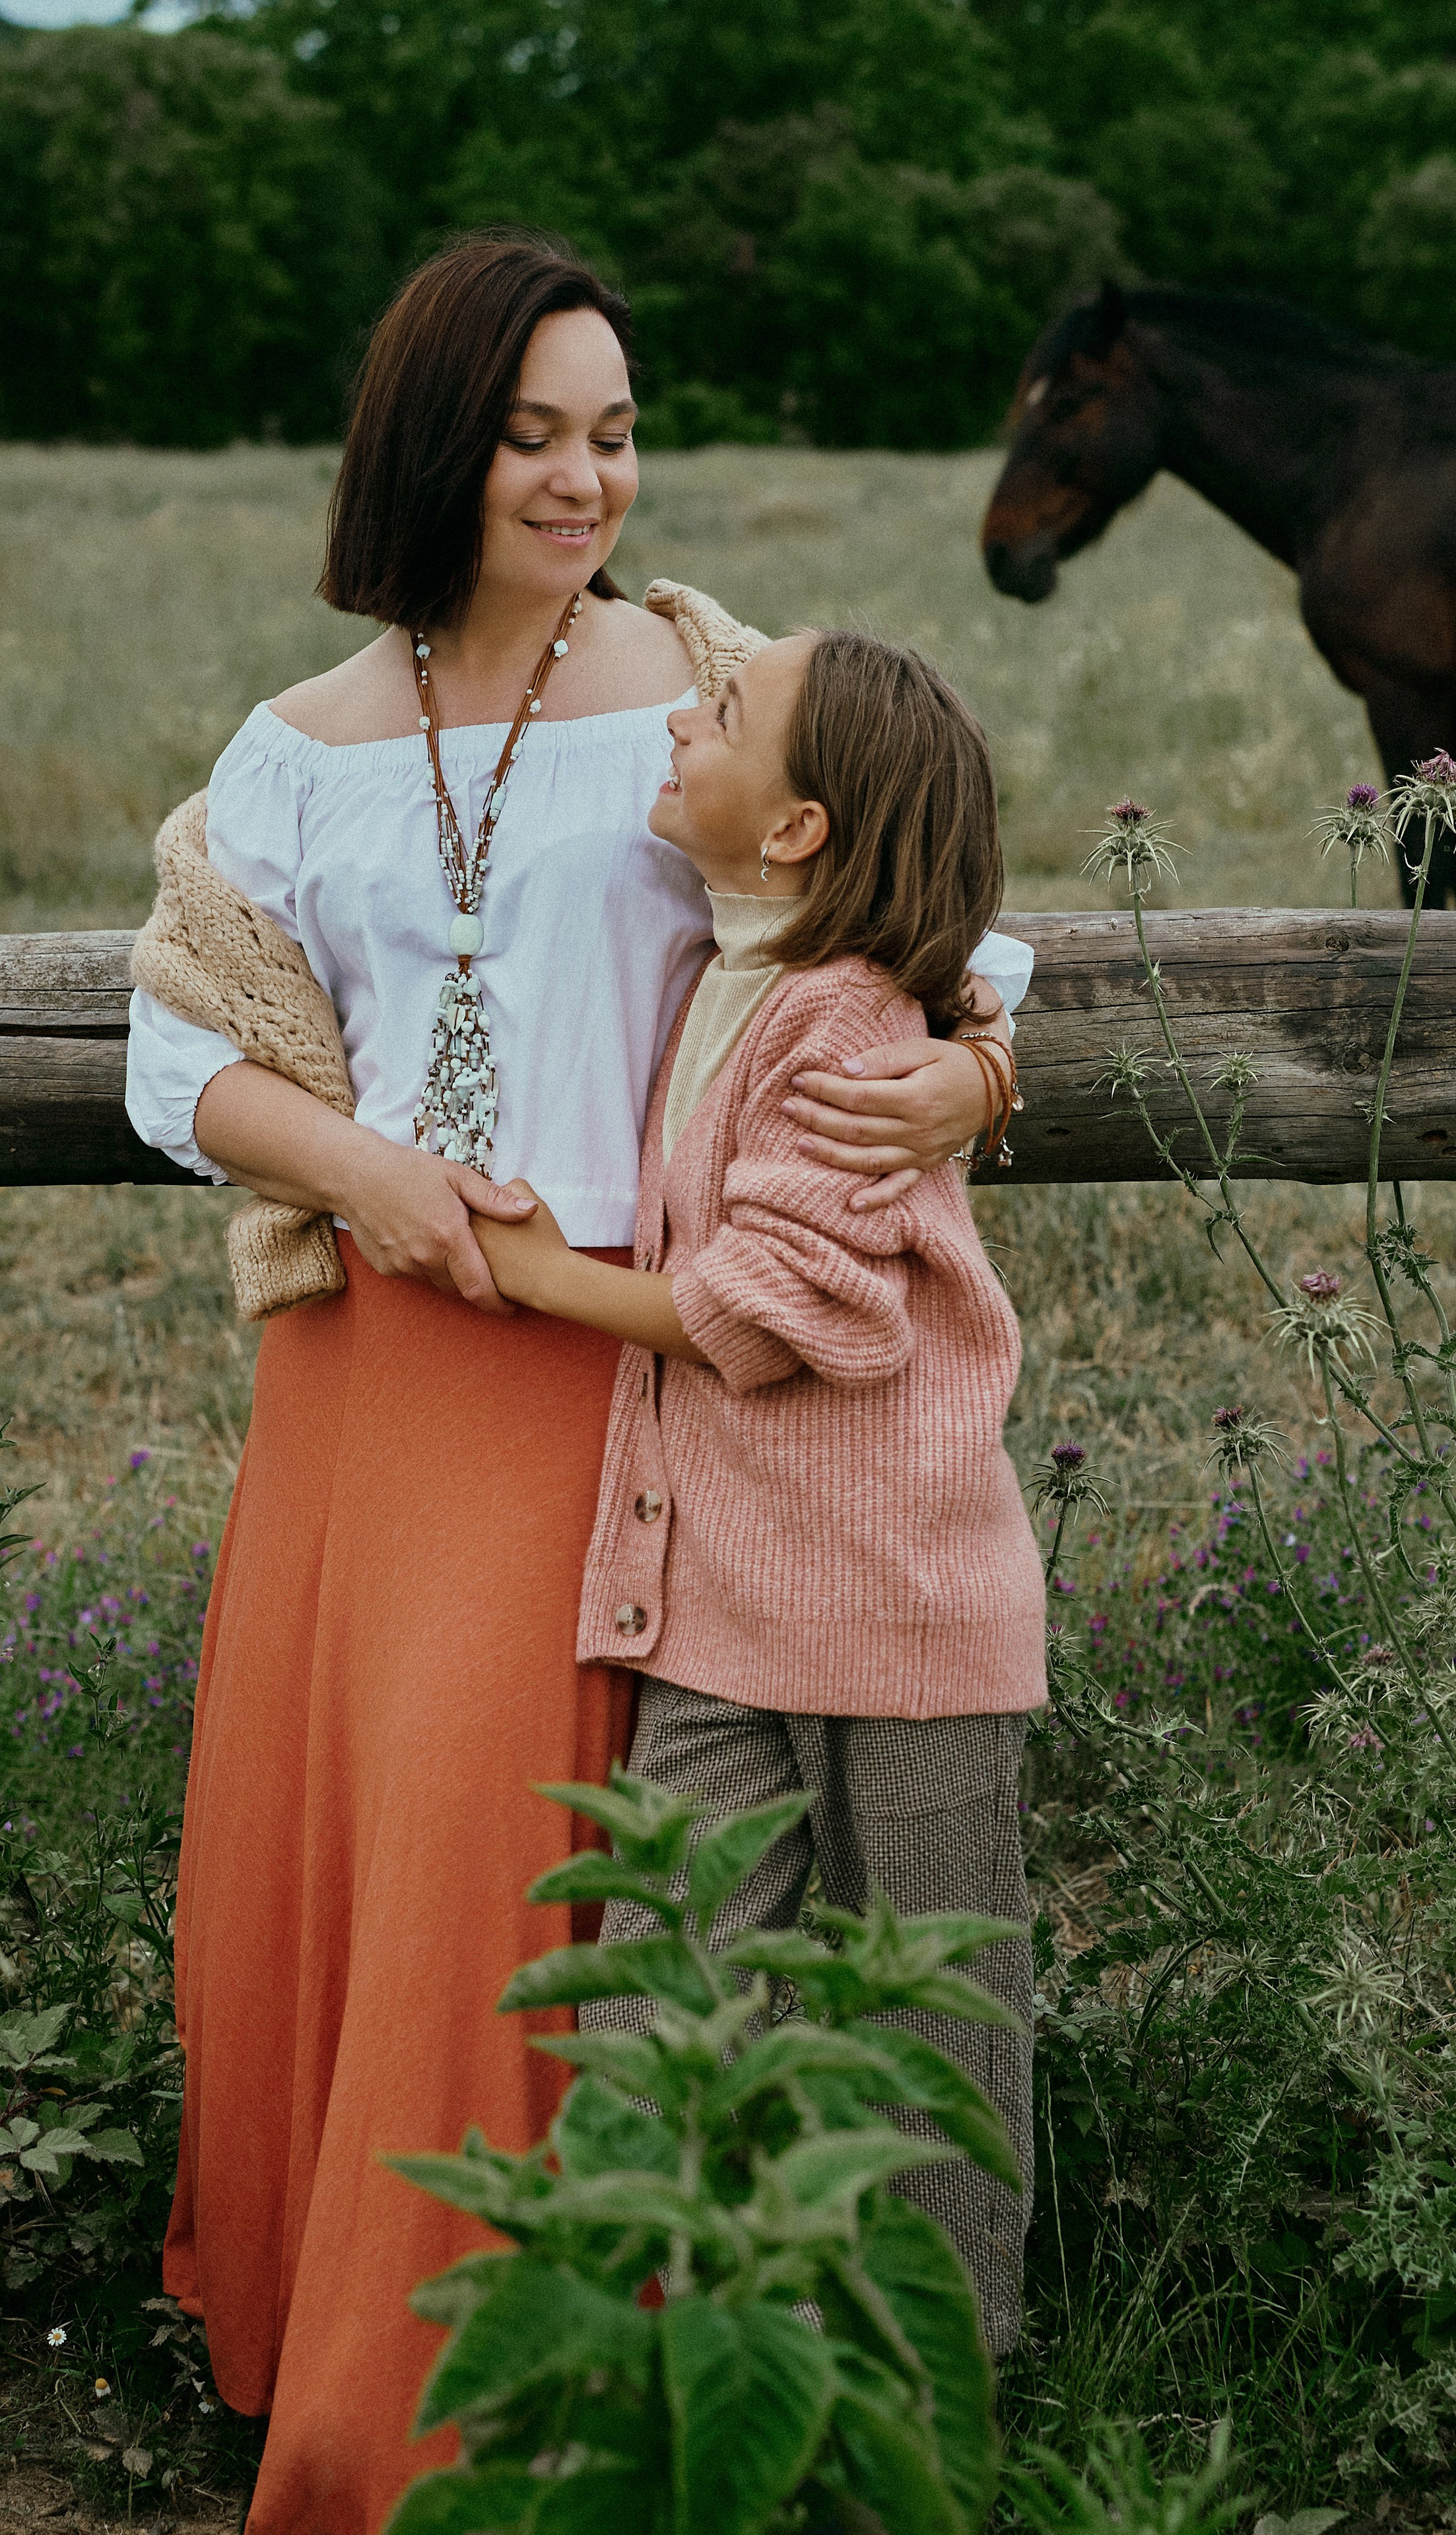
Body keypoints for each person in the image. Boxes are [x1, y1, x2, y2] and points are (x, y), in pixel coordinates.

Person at [122, 231, 1031, 2534]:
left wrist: (978, 1075)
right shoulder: (292, 753)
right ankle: (355, 2380)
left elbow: (942, 922)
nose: (583, 478)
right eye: (532, 434)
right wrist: (363, 1172)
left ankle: (559, 2412)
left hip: (620, 1368)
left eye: (614, 433)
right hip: (370, 1384)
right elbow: (174, 1053)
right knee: (370, 1865)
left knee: (525, 1872)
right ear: (435, 443)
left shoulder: (712, 690)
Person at [470, 625, 1047, 2355]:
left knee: (936, 2021)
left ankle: (944, 2395)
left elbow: (777, 1310)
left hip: (903, 1608)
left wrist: (540, 1278)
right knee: (670, 1983)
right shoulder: (744, 965)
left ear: (797, 828)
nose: (677, 717)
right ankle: (677, 2357)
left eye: (717, 714)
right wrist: (988, 1047)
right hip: (727, 1601)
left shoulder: (844, 1019)